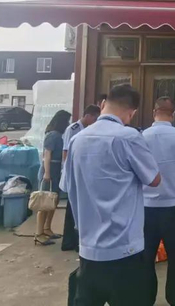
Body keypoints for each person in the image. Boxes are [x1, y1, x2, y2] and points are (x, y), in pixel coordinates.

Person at [62, 84, 161, 306]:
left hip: (88, 250)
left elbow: (67, 186)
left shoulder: (77, 140)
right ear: (132, 112)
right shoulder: (129, 137)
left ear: (103, 104)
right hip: (125, 250)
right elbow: (154, 180)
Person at [142, 97, 175, 306]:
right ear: (173, 114)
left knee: (146, 256)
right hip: (174, 207)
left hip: (146, 207)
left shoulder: (141, 137)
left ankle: (144, 298)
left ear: (153, 112)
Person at [60, 104, 102, 252]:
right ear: (88, 116)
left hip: (83, 175)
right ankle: (69, 242)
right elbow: (66, 152)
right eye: (95, 118)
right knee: (72, 210)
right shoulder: (73, 129)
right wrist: (70, 171)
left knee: (81, 210)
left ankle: (78, 241)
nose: (96, 122)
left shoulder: (89, 130)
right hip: (74, 174)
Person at [35, 110, 71, 246]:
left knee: (53, 201)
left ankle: (47, 228)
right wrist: (47, 173)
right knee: (44, 202)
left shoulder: (59, 136)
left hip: (56, 171)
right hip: (49, 171)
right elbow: (47, 155)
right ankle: (39, 233)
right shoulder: (52, 135)